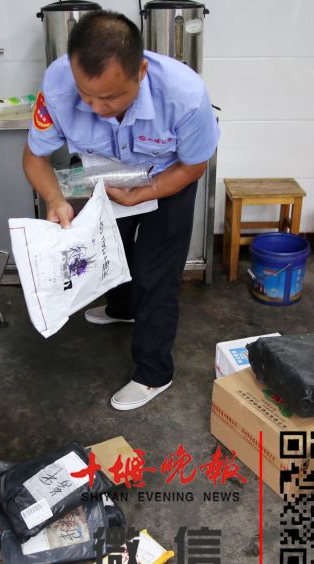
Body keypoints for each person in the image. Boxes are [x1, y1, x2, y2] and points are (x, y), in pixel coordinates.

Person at [22, 10, 219, 411]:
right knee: (112, 249)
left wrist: (145, 193)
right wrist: (56, 200)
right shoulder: (58, 84)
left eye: (110, 98)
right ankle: (122, 309)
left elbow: (193, 165)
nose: (96, 107)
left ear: (141, 72)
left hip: (167, 179)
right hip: (106, 176)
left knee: (155, 274)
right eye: (86, 95)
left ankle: (153, 373)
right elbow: (34, 157)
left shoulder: (184, 95)